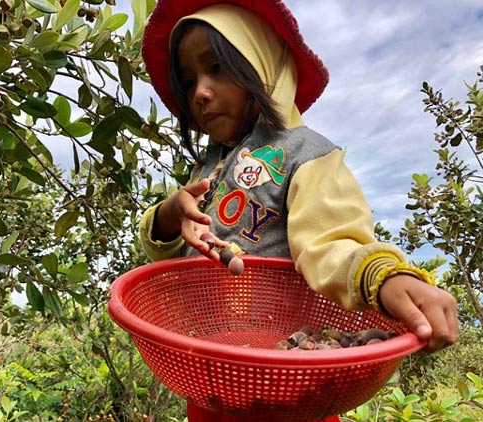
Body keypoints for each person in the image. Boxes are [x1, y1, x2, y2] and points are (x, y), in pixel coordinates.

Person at [137, 0, 459, 421]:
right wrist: (169, 214)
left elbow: (331, 242)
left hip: (289, 389)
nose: (200, 91)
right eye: (189, 79)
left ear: (263, 67)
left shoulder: (305, 154)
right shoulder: (210, 163)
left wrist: (383, 277)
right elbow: (171, 253)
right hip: (212, 380)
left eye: (216, 68)